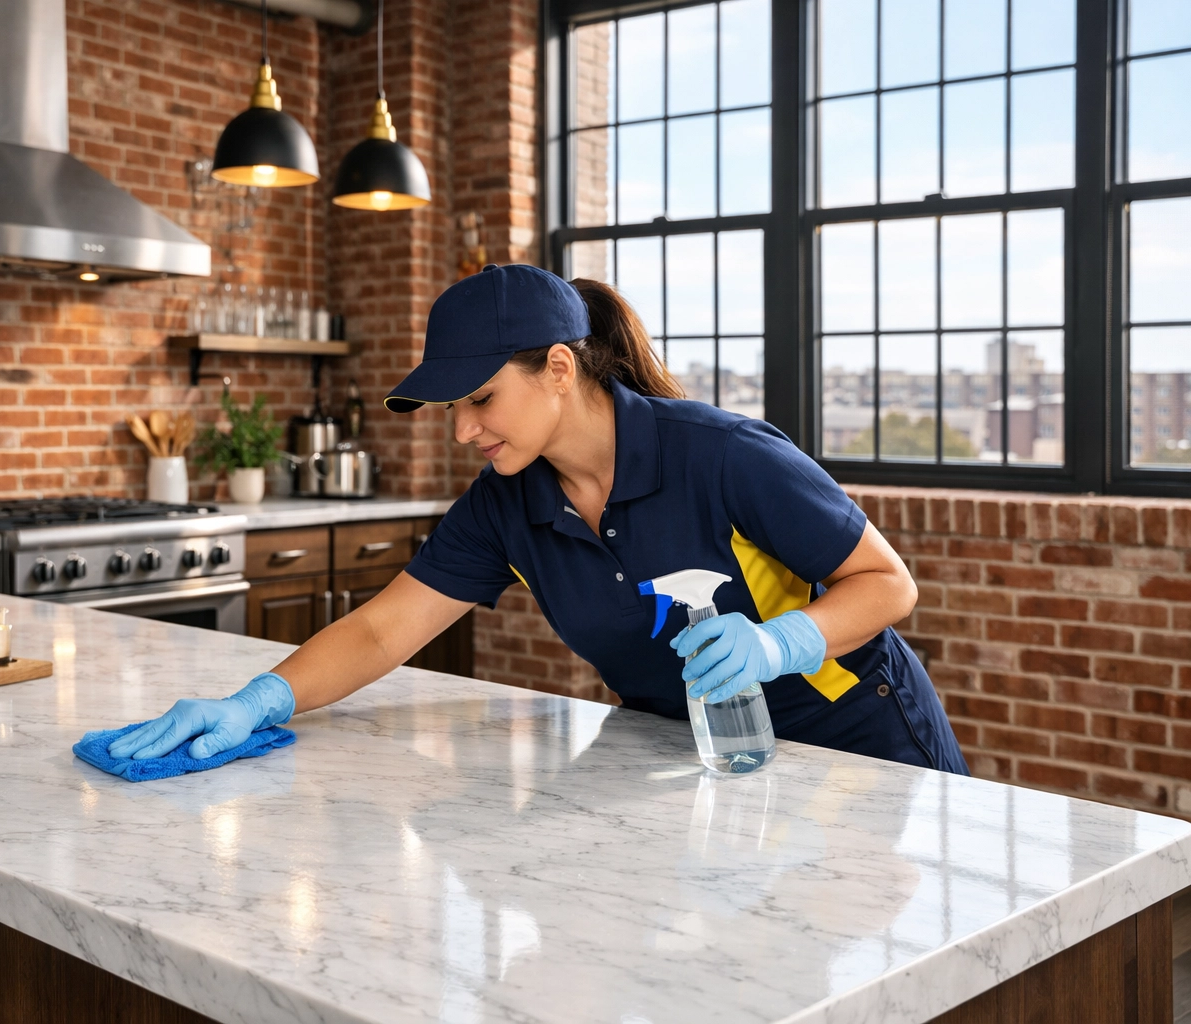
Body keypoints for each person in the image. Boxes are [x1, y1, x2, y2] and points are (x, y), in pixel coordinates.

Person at [110, 264, 968, 775]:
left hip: (855, 749)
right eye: (451, 405)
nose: (462, 429)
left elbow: (887, 585)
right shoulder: (506, 504)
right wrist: (261, 700)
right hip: (691, 758)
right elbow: (382, 633)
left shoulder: (721, 454)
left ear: (559, 368)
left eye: (481, 398)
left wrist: (779, 645)